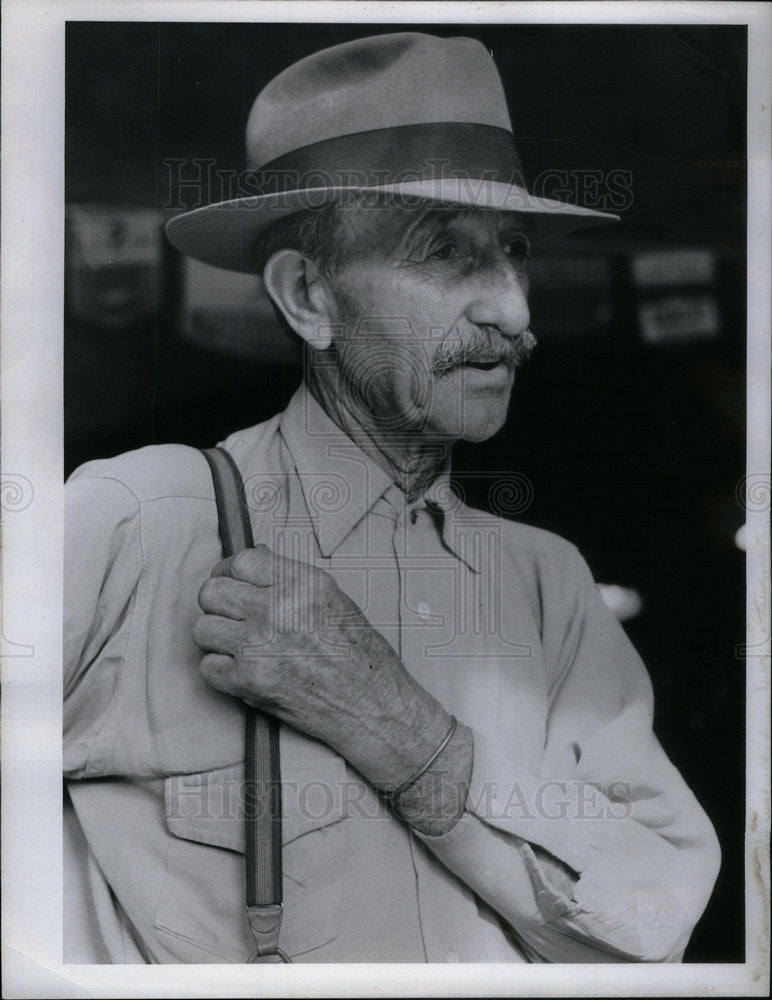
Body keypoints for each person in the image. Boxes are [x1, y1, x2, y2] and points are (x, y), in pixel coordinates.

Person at [64, 31, 720, 964]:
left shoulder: (548, 587)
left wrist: (403, 731)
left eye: (515, 250)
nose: (516, 312)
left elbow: (656, 922)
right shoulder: (140, 521)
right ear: (308, 296)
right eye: (446, 252)